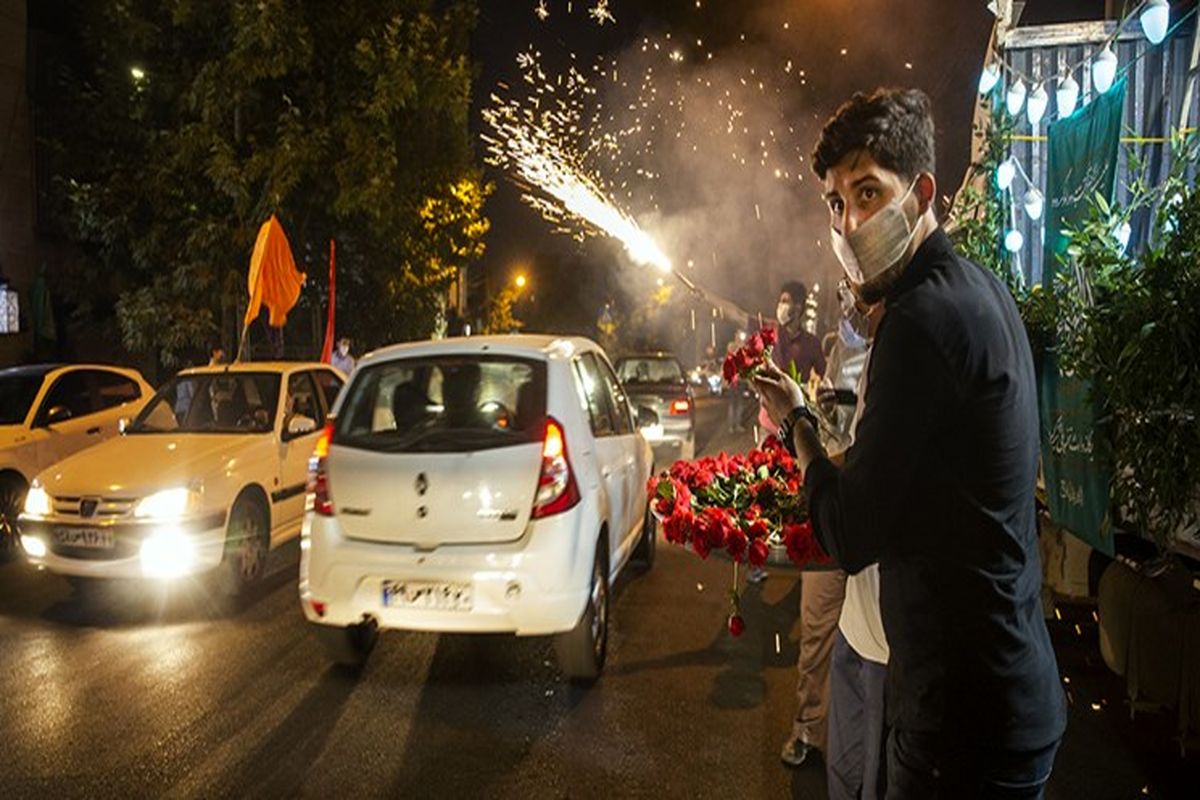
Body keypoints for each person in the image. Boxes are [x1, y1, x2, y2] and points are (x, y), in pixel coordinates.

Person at [754, 88, 1065, 797]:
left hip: (962, 720)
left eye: (869, 193)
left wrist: (799, 424)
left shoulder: (920, 321)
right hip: (1009, 691)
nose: (851, 222)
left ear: (921, 193)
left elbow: (850, 532)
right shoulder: (980, 289)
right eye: (836, 203)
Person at [824, 290, 889, 800]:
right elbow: (846, 442)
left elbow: (868, 483)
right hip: (855, 616)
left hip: (890, 635)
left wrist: (799, 430)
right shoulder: (865, 348)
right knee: (844, 772)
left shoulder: (912, 346)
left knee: (876, 777)